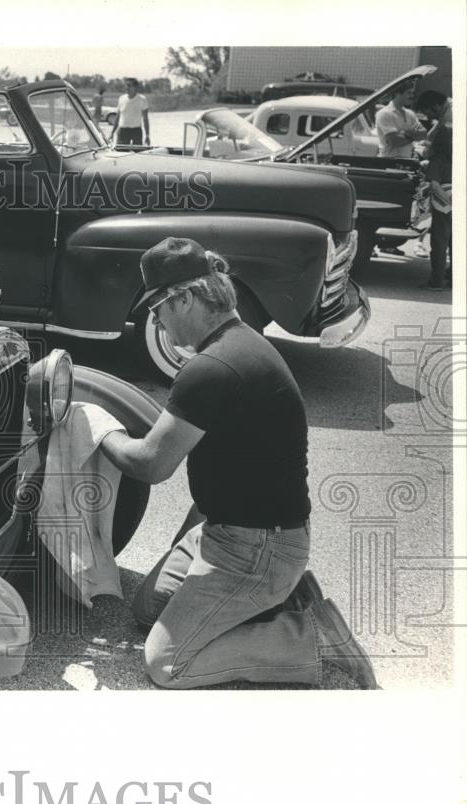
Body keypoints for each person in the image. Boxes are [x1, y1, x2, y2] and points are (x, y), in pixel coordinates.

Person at [99, 236, 378, 690]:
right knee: (147, 610)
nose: (158, 323)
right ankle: (284, 596)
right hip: (231, 533)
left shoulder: (213, 368)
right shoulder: (242, 340)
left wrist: (98, 429)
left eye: (158, 310)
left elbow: (151, 464)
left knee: (167, 664)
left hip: (257, 548)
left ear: (185, 298)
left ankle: (314, 638)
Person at [416, 90, 452, 291]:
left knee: (439, 241)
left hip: (444, 202)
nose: (429, 116)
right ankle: (454, 278)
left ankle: (436, 281)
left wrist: (448, 201)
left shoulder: (436, 161)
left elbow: (435, 185)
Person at [375, 80, 427, 158]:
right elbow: (395, 142)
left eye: (412, 93)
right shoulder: (384, 114)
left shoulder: (410, 114)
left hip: (407, 160)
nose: (412, 96)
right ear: (397, 94)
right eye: (408, 93)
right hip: (389, 161)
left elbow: (423, 133)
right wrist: (414, 136)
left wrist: (405, 133)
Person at [110, 77, 150, 146]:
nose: (127, 88)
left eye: (129, 86)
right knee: (121, 154)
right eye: (126, 85)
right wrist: (112, 133)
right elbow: (118, 117)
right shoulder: (121, 98)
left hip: (136, 131)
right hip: (123, 131)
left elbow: (145, 119)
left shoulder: (142, 99)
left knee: (137, 154)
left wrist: (147, 135)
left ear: (136, 87)